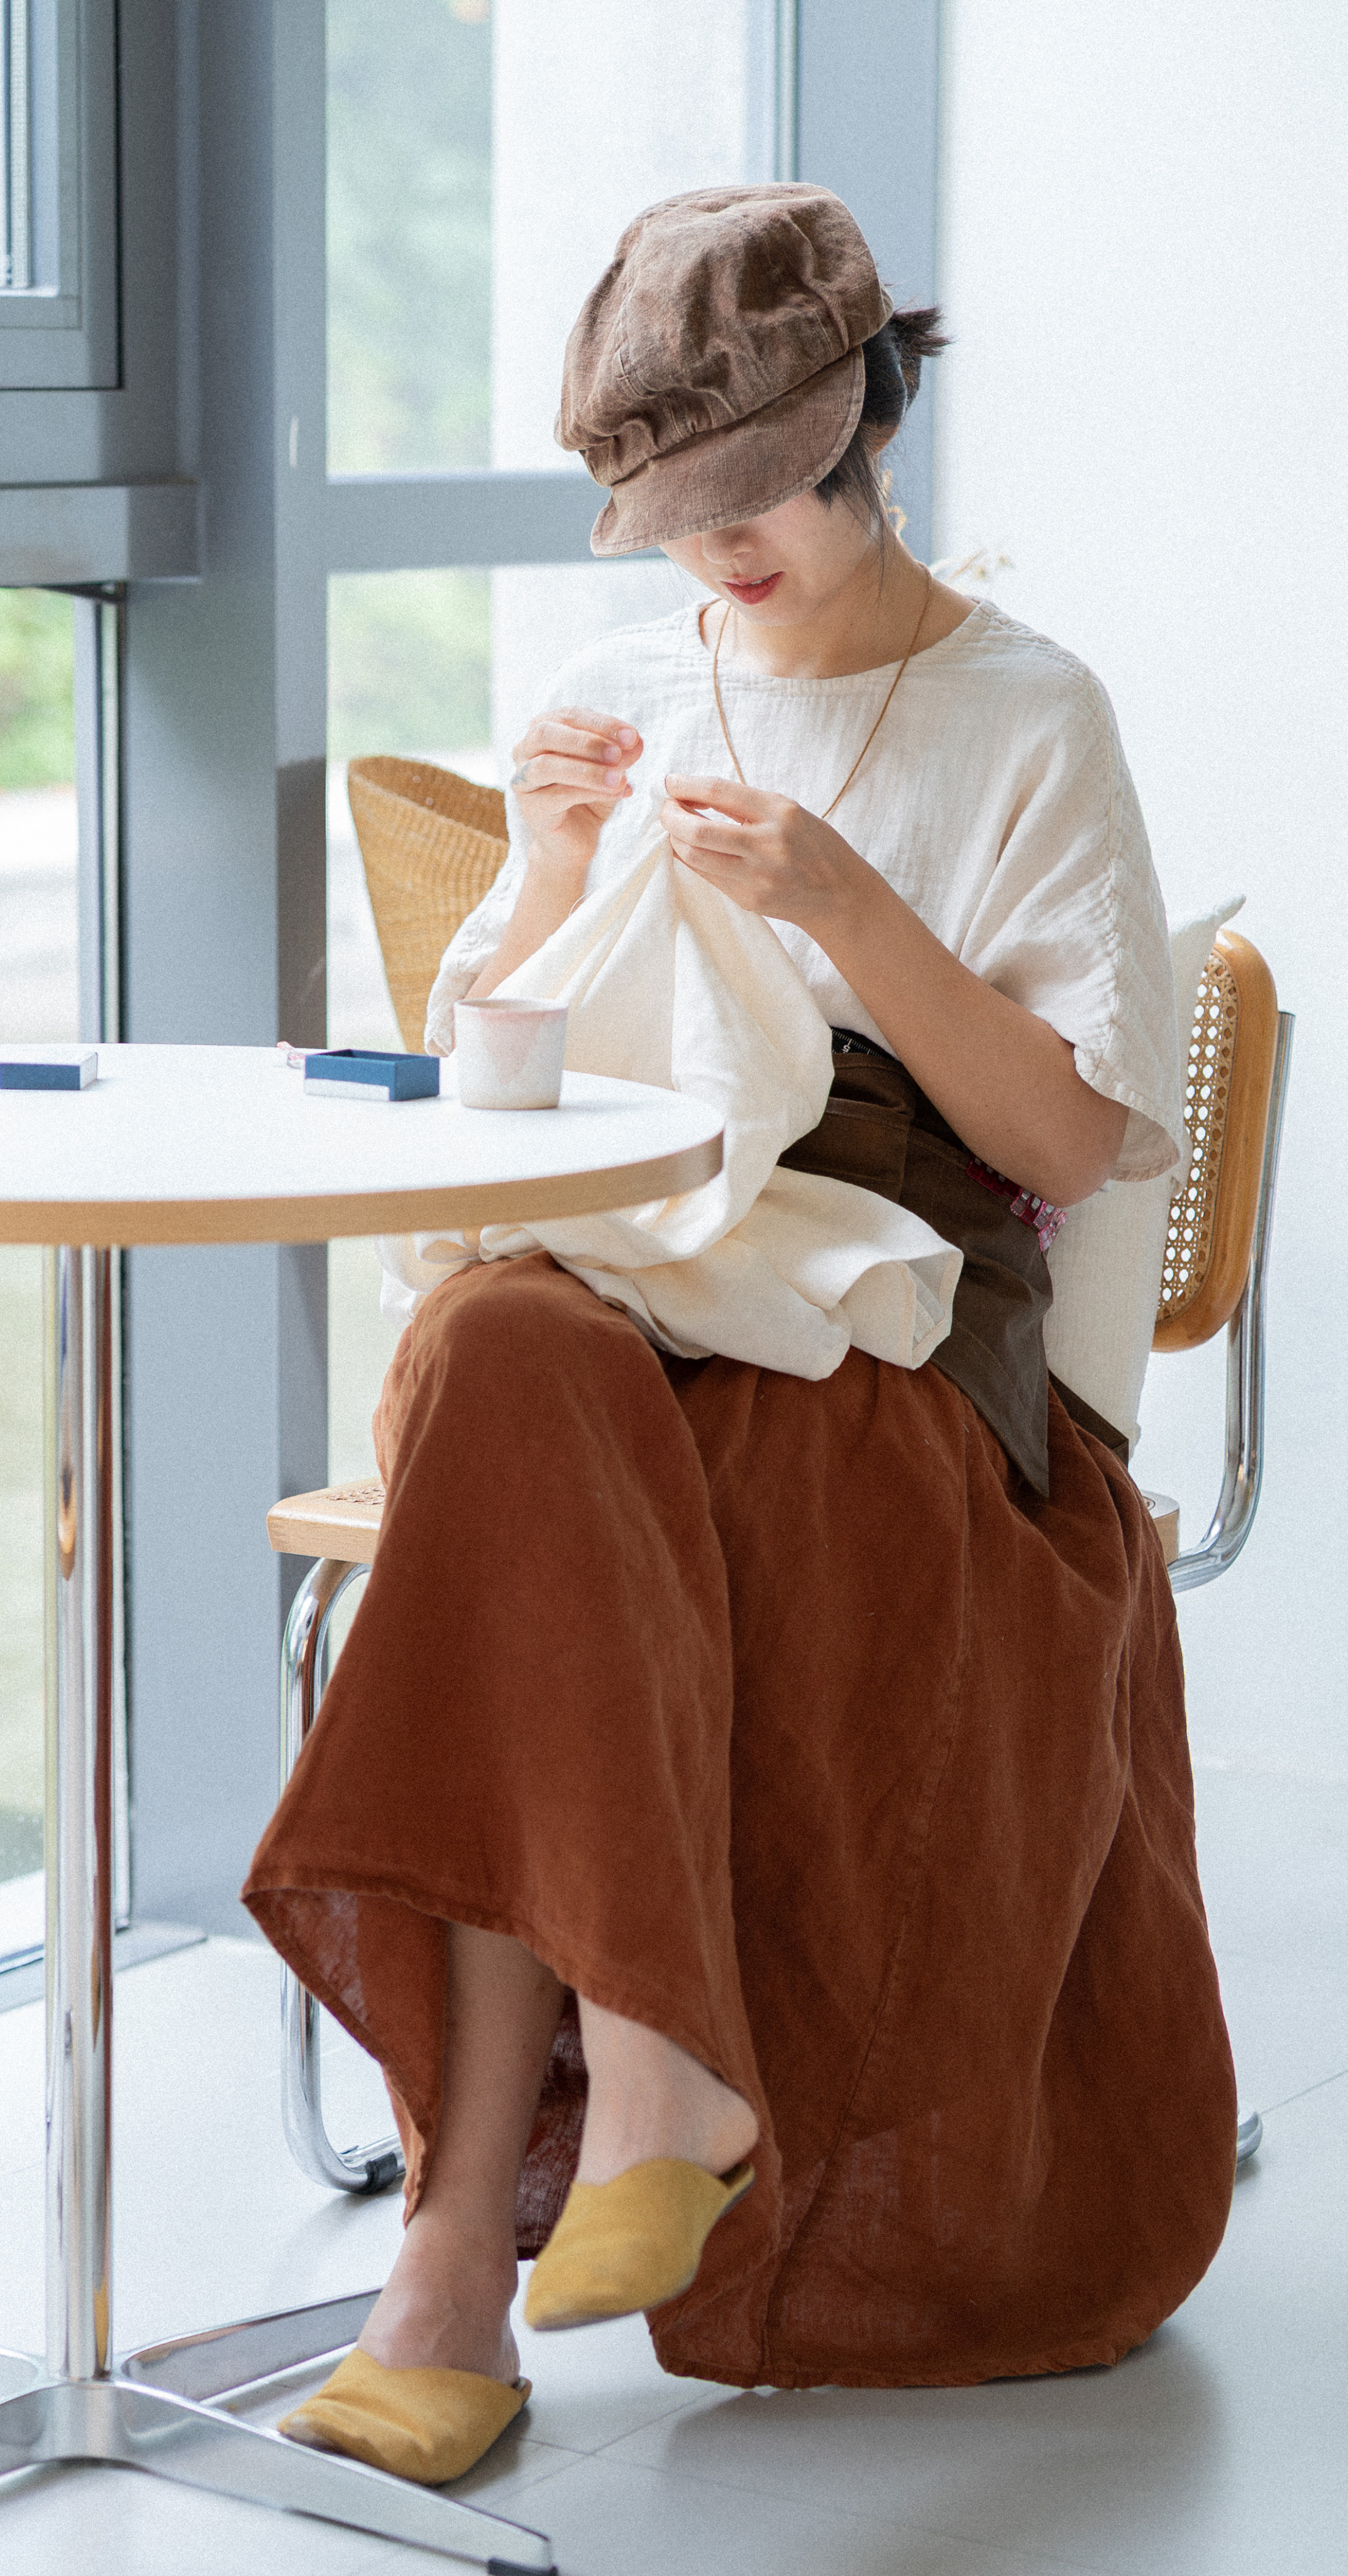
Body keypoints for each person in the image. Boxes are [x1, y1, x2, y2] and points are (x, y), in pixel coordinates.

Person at [246, 182, 1235, 2487]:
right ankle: (623, 2114)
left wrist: (853, 910)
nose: (716, 557)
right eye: (671, 516)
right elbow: (501, 1099)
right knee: (493, 1354)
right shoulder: (610, 694)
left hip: (904, 1308)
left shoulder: (1022, 708)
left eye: (752, 495)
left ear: (869, 415)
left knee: (638, 1478)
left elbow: (1074, 1151)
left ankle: (454, 2276)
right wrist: (549, 883)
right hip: (638, 1244)